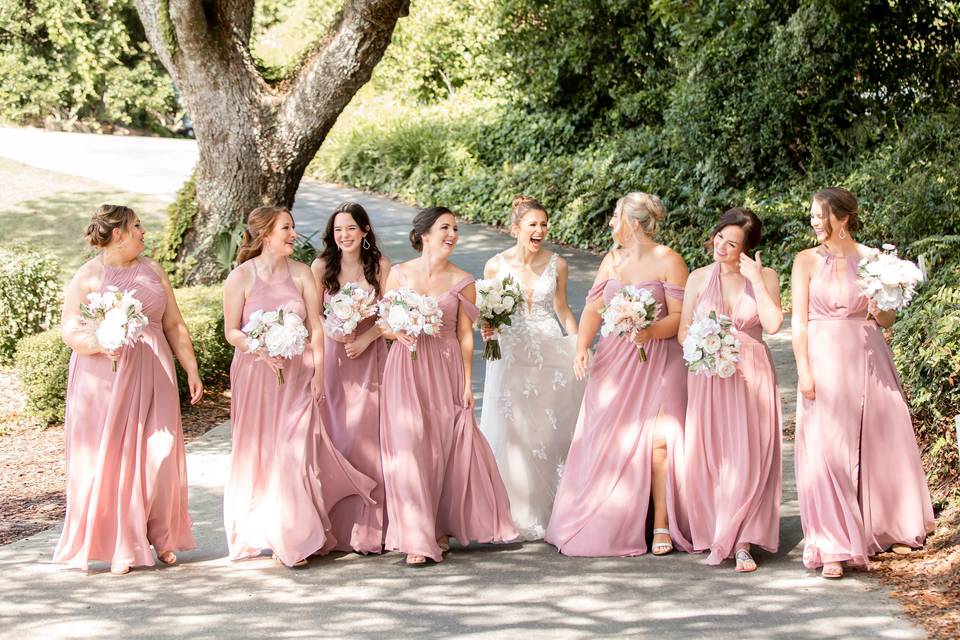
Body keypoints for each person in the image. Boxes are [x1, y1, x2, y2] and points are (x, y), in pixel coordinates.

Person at [792, 187, 934, 579]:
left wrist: (886, 292)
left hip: (866, 354)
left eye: (819, 215)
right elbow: (798, 321)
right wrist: (803, 369)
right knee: (825, 448)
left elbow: (884, 322)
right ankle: (830, 543)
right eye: (812, 215)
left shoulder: (873, 259)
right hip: (822, 357)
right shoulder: (804, 261)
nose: (814, 222)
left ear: (842, 217)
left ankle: (873, 527)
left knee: (874, 440)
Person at [222, 206, 375, 568]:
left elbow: (316, 327)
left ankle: (291, 535)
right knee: (260, 450)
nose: (294, 233)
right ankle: (260, 529)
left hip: (298, 375)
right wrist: (258, 347)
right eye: (286, 228)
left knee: (293, 451)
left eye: (292, 227)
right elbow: (232, 332)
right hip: (255, 375)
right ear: (265, 235)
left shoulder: (303, 273)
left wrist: (319, 373)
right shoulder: (240, 277)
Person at [55, 204, 201, 574]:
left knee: (160, 454)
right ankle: (123, 543)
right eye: (137, 226)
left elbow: (174, 324)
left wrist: (191, 368)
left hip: (155, 370)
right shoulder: (88, 276)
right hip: (106, 376)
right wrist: (101, 341)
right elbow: (70, 330)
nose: (143, 232)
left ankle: (162, 534)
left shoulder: (153, 269)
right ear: (118, 233)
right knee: (114, 459)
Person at [546, 192, 692, 557]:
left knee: (660, 442)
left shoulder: (670, 260)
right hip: (615, 360)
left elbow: (679, 318)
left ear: (634, 223)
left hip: (658, 358)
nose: (611, 223)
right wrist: (582, 346)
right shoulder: (611, 260)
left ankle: (661, 524)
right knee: (609, 440)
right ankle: (611, 513)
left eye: (616, 217)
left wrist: (649, 331)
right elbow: (595, 308)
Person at [379, 206, 517, 565]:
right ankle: (415, 537)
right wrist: (400, 331)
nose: (452, 234)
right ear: (424, 235)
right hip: (405, 368)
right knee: (409, 447)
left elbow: (465, 337)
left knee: (440, 450)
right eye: (445, 228)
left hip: (445, 368)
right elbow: (383, 325)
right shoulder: (398, 274)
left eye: (455, 228)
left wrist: (469, 384)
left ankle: (439, 527)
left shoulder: (464, 281)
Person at [678, 208, 783, 573]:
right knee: (713, 453)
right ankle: (717, 528)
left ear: (747, 249)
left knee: (749, 454)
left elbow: (771, 324)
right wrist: (707, 346)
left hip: (751, 373)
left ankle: (743, 541)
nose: (721, 245)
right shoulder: (697, 277)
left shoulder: (765, 275)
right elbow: (682, 332)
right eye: (720, 236)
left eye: (732, 242)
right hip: (708, 373)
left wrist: (755, 277)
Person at [478, 195, 585, 541]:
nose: (539, 230)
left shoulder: (559, 264)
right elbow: (487, 313)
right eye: (532, 225)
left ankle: (548, 509)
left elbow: (563, 309)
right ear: (516, 229)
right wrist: (486, 327)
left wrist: (579, 345)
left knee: (546, 430)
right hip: (509, 353)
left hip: (549, 351)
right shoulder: (495, 266)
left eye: (543, 224)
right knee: (512, 428)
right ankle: (510, 511)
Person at [310, 202, 391, 553]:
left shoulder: (380, 267)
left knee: (367, 435)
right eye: (339, 230)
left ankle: (371, 531)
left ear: (365, 231)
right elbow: (312, 318)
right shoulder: (321, 267)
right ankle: (336, 529)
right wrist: (335, 329)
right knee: (336, 433)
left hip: (370, 357)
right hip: (332, 359)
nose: (344, 236)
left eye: (351, 229)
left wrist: (366, 337)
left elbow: (393, 316)